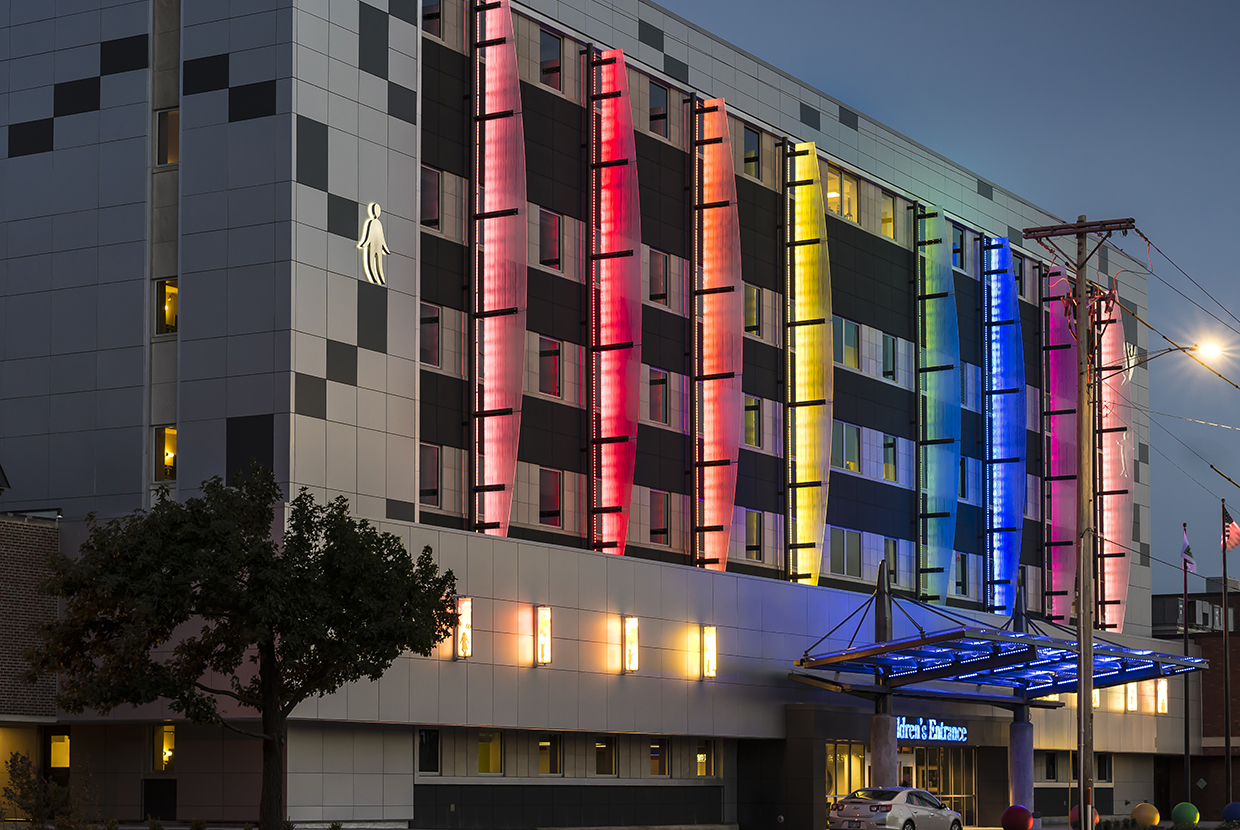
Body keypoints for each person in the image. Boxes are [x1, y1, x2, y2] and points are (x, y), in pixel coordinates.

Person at [357, 202, 391, 285]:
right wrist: (364, 244)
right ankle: (375, 277)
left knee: (377, 263)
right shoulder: (372, 222)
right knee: (373, 262)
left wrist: (385, 249)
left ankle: (380, 278)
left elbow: (381, 237)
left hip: (376, 246)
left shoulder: (378, 223)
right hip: (372, 246)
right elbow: (369, 236)